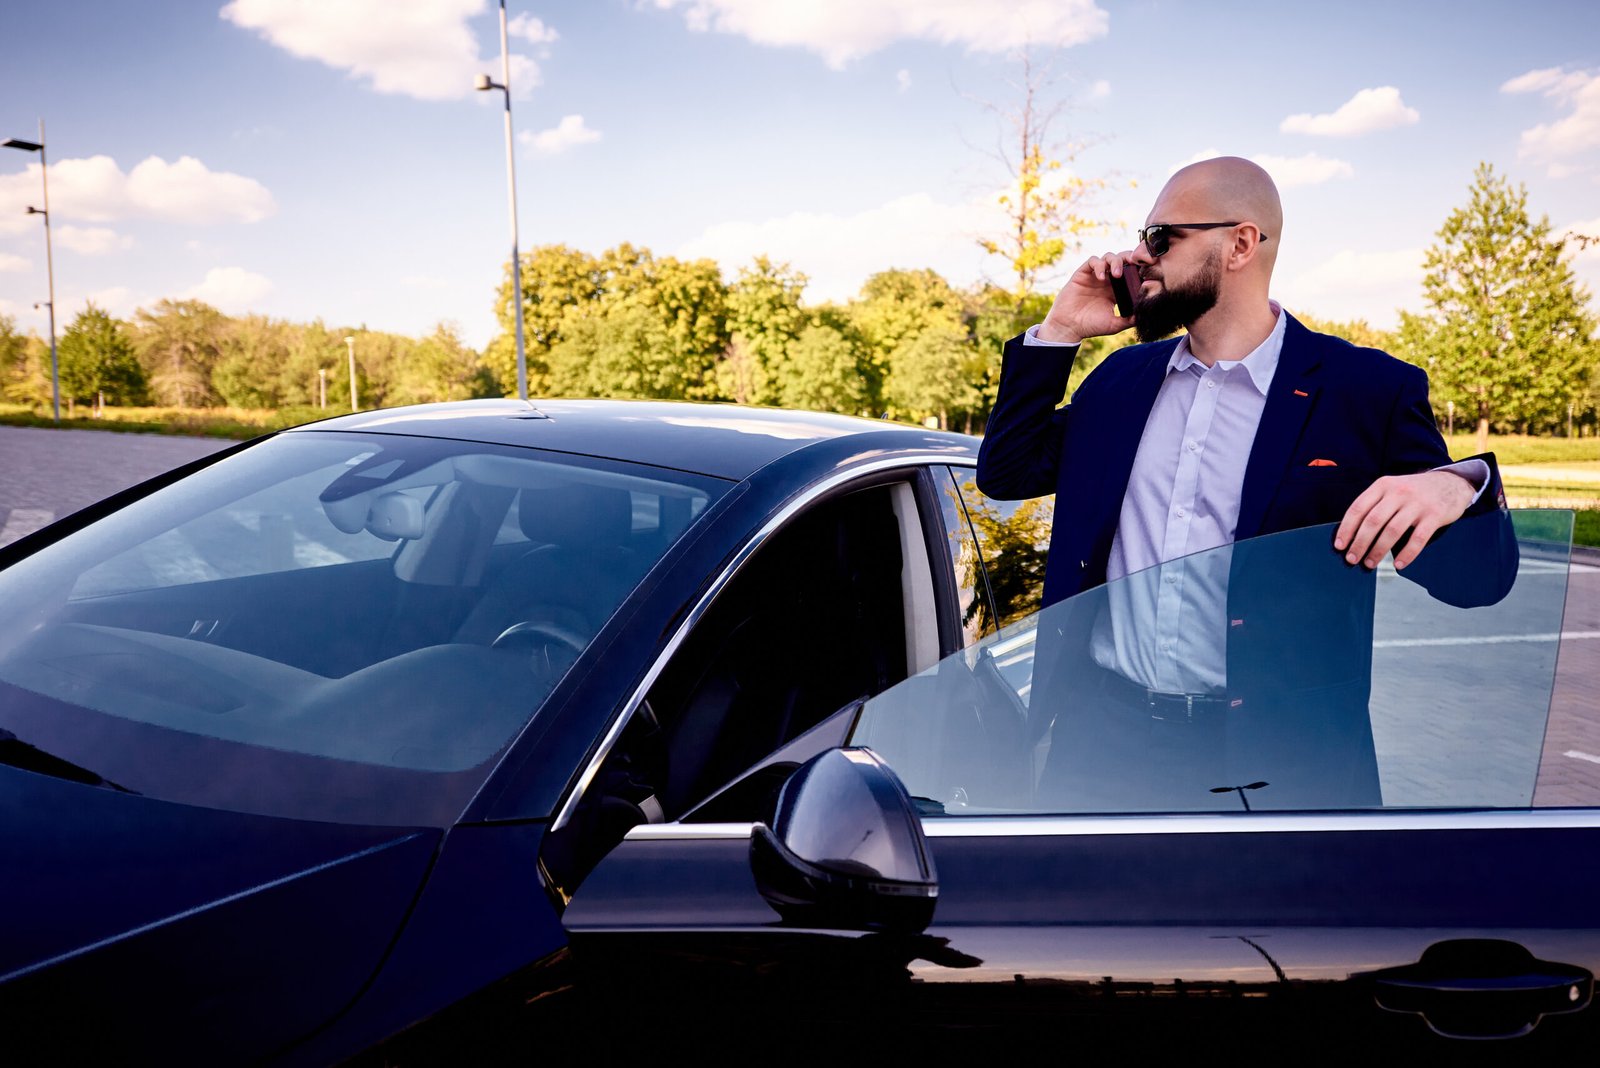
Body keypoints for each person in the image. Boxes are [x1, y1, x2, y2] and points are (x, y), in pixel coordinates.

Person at [976, 156, 1517, 811]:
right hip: (1102, 746)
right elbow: (1006, 472)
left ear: (1239, 244)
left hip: (1273, 764)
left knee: (1255, 922)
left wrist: (1460, 484)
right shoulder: (1120, 383)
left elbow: (1475, 582)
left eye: (1160, 239)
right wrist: (1059, 330)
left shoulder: (1366, 391)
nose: (1135, 258)